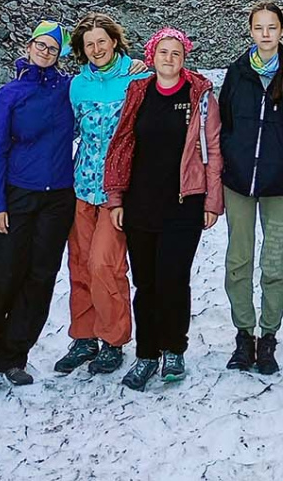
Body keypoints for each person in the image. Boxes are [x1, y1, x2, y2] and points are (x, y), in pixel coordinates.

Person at [103, 27, 222, 391]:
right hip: (141, 204)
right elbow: (122, 144)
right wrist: (116, 198)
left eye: (176, 53)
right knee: (146, 283)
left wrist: (212, 201)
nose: (169, 59)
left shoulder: (200, 97)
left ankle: (174, 349)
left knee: (172, 280)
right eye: (163, 52)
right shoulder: (138, 92)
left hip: (184, 203)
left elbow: (214, 151)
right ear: (151, 56)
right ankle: (146, 353)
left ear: (184, 58)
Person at [219, 0, 283, 376]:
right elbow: (224, 123)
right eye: (259, 27)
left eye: (272, 27)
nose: (265, 34)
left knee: (274, 264)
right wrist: (233, 157)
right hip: (239, 183)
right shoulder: (237, 73)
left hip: (278, 185)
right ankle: (244, 334)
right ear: (251, 31)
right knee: (238, 262)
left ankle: (269, 337)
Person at [0, 20, 78, 386]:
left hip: (58, 197)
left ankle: (15, 353)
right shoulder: (9, 94)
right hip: (16, 193)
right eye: (40, 45)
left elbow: (106, 84)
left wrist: (132, 67)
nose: (45, 52)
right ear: (29, 45)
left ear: (60, 54)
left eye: (53, 48)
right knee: (4, 273)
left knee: (40, 277)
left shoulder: (69, 89)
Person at [54, 12, 151, 377]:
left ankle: (113, 339)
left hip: (117, 190)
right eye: (88, 44)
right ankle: (84, 336)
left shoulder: (138, 76)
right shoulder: (78, 84)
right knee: (79, 263)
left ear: (115, 41)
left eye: (102, 41)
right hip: (82, 184)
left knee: (104, 264)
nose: (96, 49)